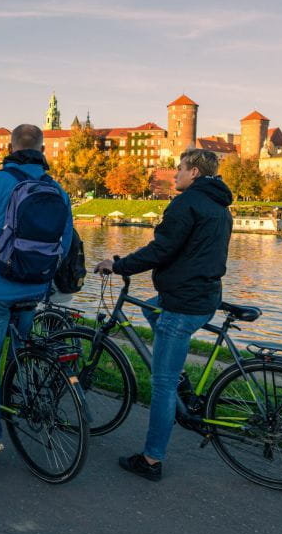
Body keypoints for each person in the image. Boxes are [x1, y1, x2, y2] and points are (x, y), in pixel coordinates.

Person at [94, 148, 232, 482]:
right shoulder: (220, 205)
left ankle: (151, 459)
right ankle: (182, 378)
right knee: (152, 308)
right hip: (205, 295)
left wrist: (120, 265)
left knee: (161, 385)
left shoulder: (186, 204)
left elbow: (161, 249)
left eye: (180, 168)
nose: (174, 173)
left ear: (195, 172)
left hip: (183, 303)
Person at [0, 124, 73, 472]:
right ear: (42, 150)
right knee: (22, 351)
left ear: (9, 147)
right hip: (34, 288)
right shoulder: (57, 190)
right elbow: (64, 244)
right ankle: (27, 404)